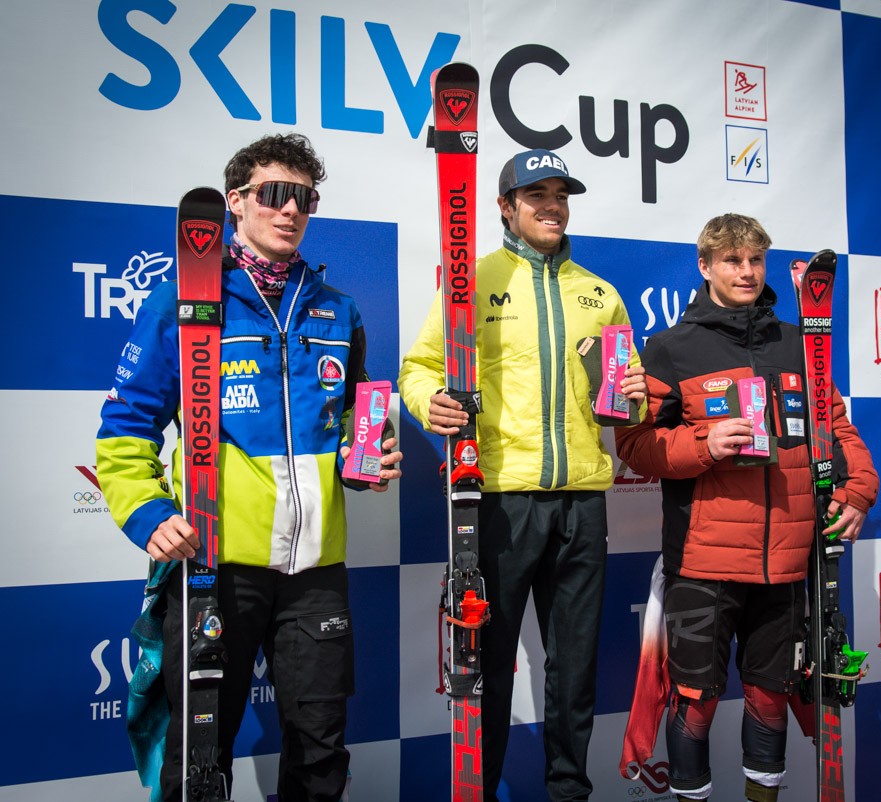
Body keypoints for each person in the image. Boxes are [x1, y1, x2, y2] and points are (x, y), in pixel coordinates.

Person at [96, 132, 403, 802]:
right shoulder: (186, 299)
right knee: (199, 758)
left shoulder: (337, 309)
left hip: (316, 570)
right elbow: (125, 425)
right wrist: (145, 510)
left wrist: (367, 454)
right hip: (215, 565)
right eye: (274, 194)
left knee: (321, 753)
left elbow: (349, 419)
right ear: (235, 201)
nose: (290, 210)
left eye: (304, 198)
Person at [398, 148, 647, 802]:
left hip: (582, 505)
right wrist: (434, 401)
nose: (552, 206)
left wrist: (638, 396)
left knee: (575, 671)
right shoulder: (470, 282)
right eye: (537, 195)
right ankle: (478, 790)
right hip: (500, 502)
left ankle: (569, 793)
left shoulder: (600, 293)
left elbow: (628, 397)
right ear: (506, 207)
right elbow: (421, 368)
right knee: (489, 667)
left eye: (561, 195)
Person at [615, 213, 879, 802]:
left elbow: (835, 426)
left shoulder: (799, 342)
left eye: (755, 260)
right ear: (705, 266)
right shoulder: (671, 349)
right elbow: (634, 446)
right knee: (695, 701)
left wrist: (858, 488)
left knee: (770, 695)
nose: (747, 271)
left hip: (786, 563)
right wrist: (703, 445)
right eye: (732, 260)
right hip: (703, 563)